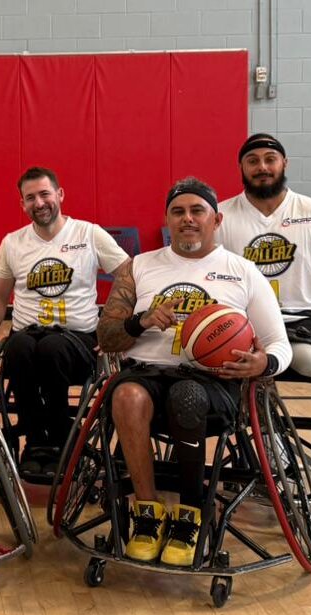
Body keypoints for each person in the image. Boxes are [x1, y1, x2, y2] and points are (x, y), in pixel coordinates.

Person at [96, 178, 289, 568]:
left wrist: (262, 363)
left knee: (188, 395)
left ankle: (191, 513)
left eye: (196, 211)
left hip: (213, 383)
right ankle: (147, 513)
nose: (187, 219)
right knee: (125, 395)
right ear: (167, 219)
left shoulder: (243, 271)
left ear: (215, 219)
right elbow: (106, 335)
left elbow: (279, 345)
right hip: (149, 374)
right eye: (178, 211)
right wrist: (141, 321)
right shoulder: (139, 267)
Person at [0, 166, 129, 479]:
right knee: (18, 346)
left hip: (76, 341)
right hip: (26, 337)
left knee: (52, 348)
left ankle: (61, 441)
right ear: (22, 204)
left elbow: (130, 276)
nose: (39, 202)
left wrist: (116, 322)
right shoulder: (13, 243)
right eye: (30, 197)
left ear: (59, 195)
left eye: (45, 194)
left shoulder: (88, 234)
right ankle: (35, 445)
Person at [217, 133, 311, 379]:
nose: (262, 167)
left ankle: (264, 397)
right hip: (241, 319)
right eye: (252, 161)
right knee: (224, 360)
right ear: (241, 167)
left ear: (284, 163)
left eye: (270, 159)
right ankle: (256, 410)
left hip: (299, 319)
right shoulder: (220, 216)